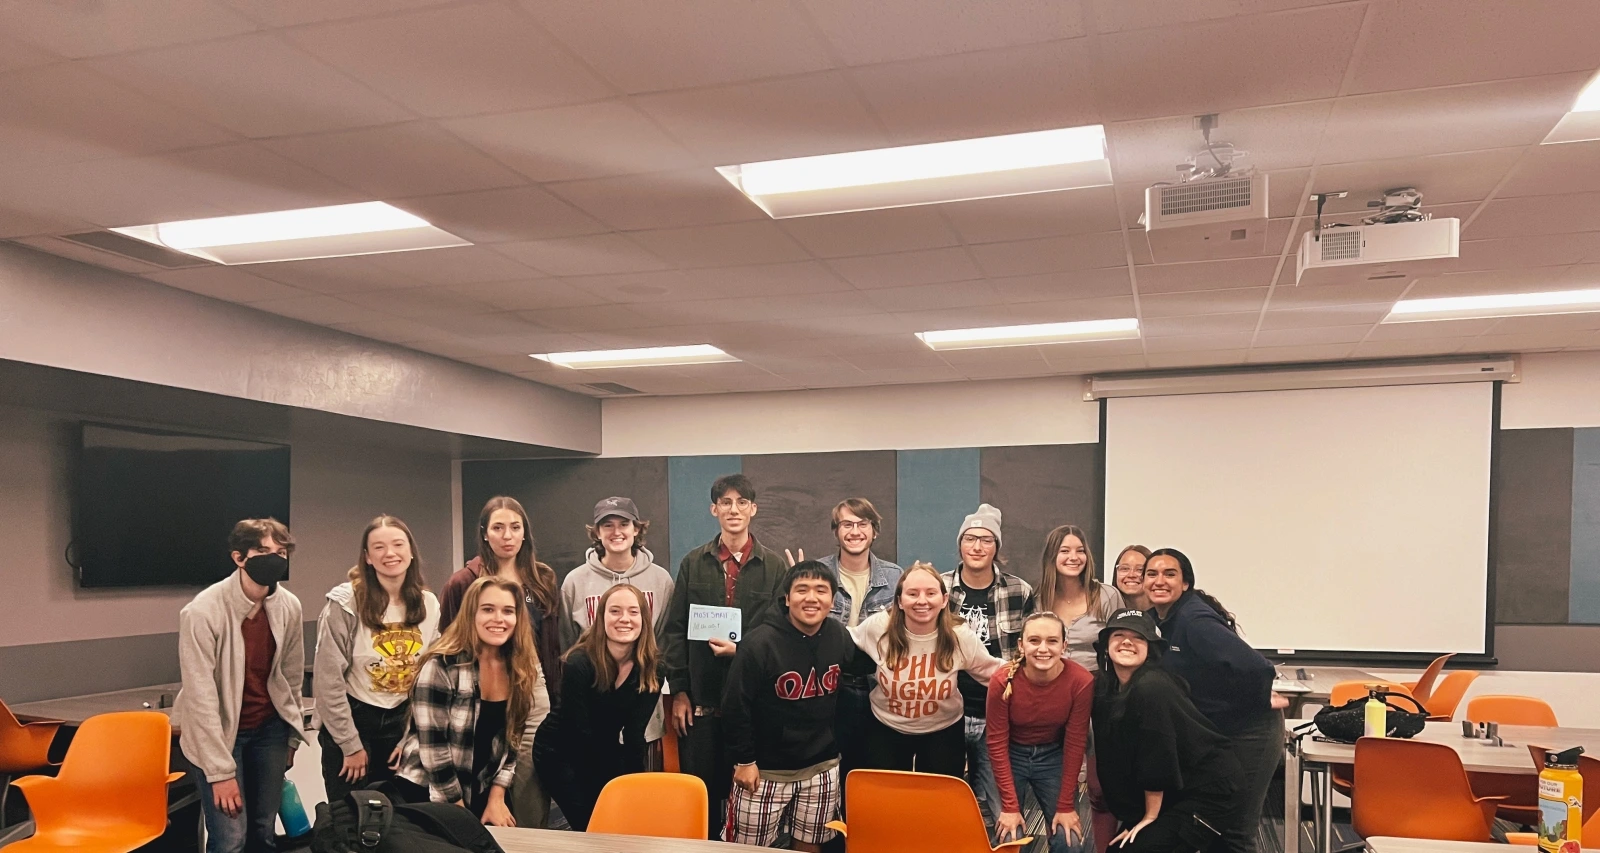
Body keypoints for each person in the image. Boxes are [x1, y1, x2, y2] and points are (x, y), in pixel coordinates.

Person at [661, 473, 789, 838]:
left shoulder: (775, 566)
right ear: (714, 509)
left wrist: (742, 649)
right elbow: (674, 629)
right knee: (701, 793)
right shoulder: (693, 563)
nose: (734, 509)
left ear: (753, 509)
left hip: (752, 703)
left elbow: (778, 633)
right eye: (726, 503)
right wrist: (681, 691)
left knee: (748, 798)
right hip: (700, 702)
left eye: (741, 502)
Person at [175, 518, 306, 853]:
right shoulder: (202, 611)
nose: (274, 558)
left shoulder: (288, 606)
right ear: (239, 557)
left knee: (263, 830)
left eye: (280, 551)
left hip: (270, 730)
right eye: (263, 551)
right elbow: (200, 698)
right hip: (220, 735)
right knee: (230, 836)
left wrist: (292, 735)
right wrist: (219, 773)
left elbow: (291, 677)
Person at [1145, 549, 1283, 853]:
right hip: (1217, 733)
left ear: (1185, 584)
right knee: (1211, 827)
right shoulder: (1154, 620)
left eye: (1170, 574)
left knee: (1235, 831)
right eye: (1151, 574)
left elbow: (1257, 669)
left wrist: (1258, 700)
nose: (1159, 581)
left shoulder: (1194, 620)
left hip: (1251, 731)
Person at [388, 576, 549, 826]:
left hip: (480, 787)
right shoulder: (441, 665)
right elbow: (434, 750)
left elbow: (512, 742)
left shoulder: (519, 668)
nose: (499, 619)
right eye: (488, 609)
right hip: (430, 790)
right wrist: (459, 813)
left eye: (508, 611)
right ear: (471, 614)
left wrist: (497, 796)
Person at [440, 496, 560, 827]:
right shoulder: (463, 582)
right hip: (481, 690)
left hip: (532, 688)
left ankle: (530, 844)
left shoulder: (543, 578)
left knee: (529, 781)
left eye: (515, 527)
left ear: (525, 534)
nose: (507, 535)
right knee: (482, 780)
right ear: (485, 534)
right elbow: (450, 642)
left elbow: (551, 647)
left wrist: (556, 703)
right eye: (498, 527)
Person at [723, 561, 855, 851]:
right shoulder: (759, 643)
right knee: (745, 849)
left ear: (832, 600)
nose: (811, 598)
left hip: (822, 767)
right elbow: (735, 706)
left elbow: (856, 683)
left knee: (809, 846)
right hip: (764, 772)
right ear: (787, 598)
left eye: (821, 590)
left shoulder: (838, 635)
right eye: (802, 589)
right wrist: (744, 761)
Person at [314, 515, 441, 804]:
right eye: (379, 547)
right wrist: (350, 745)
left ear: (411, 552)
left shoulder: (429, 604)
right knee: (351, 819)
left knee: (402, 819)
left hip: (400, 721)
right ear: (367, 557)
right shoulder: (345, 603)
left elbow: (428, 677)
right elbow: (328, 681)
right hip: (353, 719)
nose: (390, 553)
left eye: (398, 544)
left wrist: (410, 736)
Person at [1091, 609, 1241, 853]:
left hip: (1209, 791)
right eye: (1119, 635)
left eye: (1138, 637)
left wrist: (1149, 818)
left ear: (1150, 649)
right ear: (1106, 647)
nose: (1127, 641)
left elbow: (1158, 757)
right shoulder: (1106, 689)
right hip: (1174, 791)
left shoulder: (1152, 687)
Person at [850, 562, 1004, 777]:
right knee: (887, 801)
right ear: (899, 602)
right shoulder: (878, 627)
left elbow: (993, 671)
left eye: (930, 593)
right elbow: (840, 643)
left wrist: (1040, 670)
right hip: (885, 727)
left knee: (940, 800)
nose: (922, 601)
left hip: (943, 730)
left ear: (943, 600)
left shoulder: (960, 636)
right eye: (912, 594)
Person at [1027, 525, 1124, 852]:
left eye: (1079, 550)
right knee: (1056, 780)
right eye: (1065, 551)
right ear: (1052, 557)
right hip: (1050, 694)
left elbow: (1122, 645)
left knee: (1099, 787)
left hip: (1097, 695)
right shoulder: (1038, 597)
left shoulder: (1106, 596)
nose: (1073, 557)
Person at [534, 584, 660, 831]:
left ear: (644, 620)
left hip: (605, 747)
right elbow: (579, 732)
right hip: (559, 750)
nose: (624, 619)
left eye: (633, 612)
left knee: (623, 818)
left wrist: (635, 788)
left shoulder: (652, 668)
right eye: (615, 611)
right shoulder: (579, 663)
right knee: (592, 824)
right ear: (600, 618)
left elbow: (635, 735)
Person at [942, 503, 1033, 832]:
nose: (977, 546)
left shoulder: (1019, 591)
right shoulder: (937, 590)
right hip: (946, 711)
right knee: (945, 805)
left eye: (986, 540)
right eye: (970, 538)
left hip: (996, 712)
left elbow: (1029, 652)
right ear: (960, 544)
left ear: (997, 548)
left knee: (1005, 809)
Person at [812, 497, 903, 810]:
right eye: (846, 524)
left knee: (877, 774)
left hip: (879, 687)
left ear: (874, 531)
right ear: (836, 531)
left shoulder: (895, 578)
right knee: (832, 775)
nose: (854, 531)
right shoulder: (817, 574)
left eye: (862, 523)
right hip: (829, 688)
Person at [986, 612, 1093, 853]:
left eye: (1052, 641)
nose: (1043, 649)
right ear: (1021, 645)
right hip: (1009, 754)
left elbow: (1075, 743)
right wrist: (1011, 808)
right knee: (1011, 837)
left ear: (1064, 646)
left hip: (1053, 756)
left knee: (1070, 841)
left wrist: (1066, 806)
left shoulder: (1081, 681)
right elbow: (996, 743)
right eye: (1034, 641)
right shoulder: (1002, 680)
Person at [557, 496, 674, 649]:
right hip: (591, 671)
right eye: (608, 525)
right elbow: (566, 640)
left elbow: (666, 639)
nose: (616, 532)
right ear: (597, 532)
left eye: (624, 524)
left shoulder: (661, 580)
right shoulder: (575, 581)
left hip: (647, 670)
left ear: (636, 529)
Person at [1112, 546, 1152, 612]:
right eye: (1124, 569)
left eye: (1140, 569)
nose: (1131, 575)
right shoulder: (1106, 611)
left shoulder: (1163, 614)